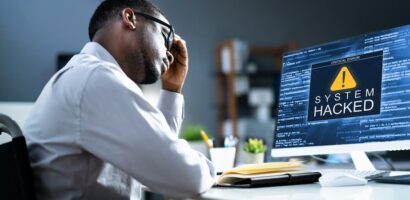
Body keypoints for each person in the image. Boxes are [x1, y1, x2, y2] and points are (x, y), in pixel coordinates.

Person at [22, 0, 216, 199]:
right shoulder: (97, 78)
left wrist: (172, 90)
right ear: (130, 19)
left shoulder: (86, 75)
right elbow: (186, 177)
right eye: (165, 35)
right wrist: (217, 171)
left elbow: (156, 165)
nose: (169, 52)